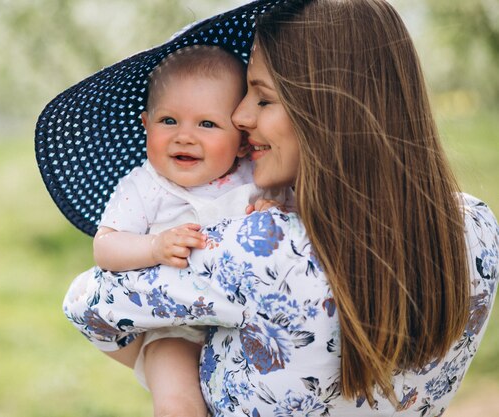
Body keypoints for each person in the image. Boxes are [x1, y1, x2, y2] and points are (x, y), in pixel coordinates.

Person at [41, 0, 498, 416]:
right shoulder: (476, 228)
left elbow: (86, 304)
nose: (239, 118)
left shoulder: (263, 249)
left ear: (326, 111)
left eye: (262, 97)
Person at [64, 45, 289, 417]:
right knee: (178, 405)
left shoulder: (255, 177)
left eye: (207, 124)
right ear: (145, 124)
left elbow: (290, 226)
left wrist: (272, 208)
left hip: (243, 327)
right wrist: (154, 247)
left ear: (242, 139)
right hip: (174, 331)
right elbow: (105, 247)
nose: (185, 136)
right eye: (168, 120)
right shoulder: (145, 186)